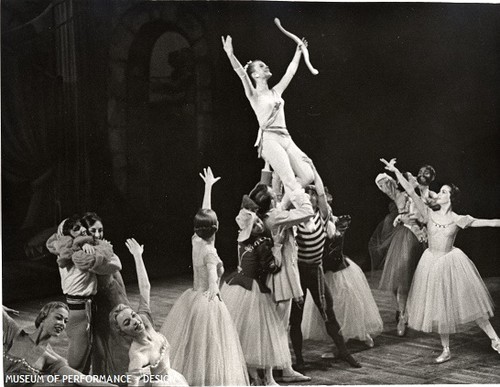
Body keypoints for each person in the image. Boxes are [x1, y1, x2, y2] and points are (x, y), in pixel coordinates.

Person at [381, 157, 500, 363]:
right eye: (441, 190)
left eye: (444, 191)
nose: (440, 193)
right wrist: (395, 171)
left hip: (452, 263)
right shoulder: (427, 212)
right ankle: (446, 350)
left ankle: (496, 341)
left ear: (450, 198)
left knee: (473, 306)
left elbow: (489, 222)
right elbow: (410, 191)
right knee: (441, 309)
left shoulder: (457, 219)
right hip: (431, 263)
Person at [160, 167, 249, 386]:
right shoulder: (210, 251)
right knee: (211, 345)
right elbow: (212, 280)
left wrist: (208, 187)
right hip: (207, 299)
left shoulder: (196, 241)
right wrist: (217, 296)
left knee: (193, 344)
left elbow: (204, 212)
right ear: (216, 228)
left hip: (193, 296)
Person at [222, 35, 316, 201]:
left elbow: (291, 72)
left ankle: (281, 207)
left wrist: (298, 52)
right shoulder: (254, 95)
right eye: (261, 66)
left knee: (307, 175)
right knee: (288, 178)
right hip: (271, 139)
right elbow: (242, 74)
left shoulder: (276, 91)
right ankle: (299, 214)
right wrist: (230, 54)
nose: (266, 67)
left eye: (265, 65)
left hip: (286, 137)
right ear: (255, 75)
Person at [221, 198, 302, 385]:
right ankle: (266, 378)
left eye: (258, 221)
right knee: (263, 335)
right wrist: (278, 245)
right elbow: (273, 266)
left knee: (246, 334)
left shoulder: (241, 239)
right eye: (255, 224)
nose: (259, 224)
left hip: (237, 284)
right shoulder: (262, 244)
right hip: (253, 290)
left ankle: (254, 376)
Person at [289, 166, 361, 369]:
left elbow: (321, 194)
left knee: (329, 313)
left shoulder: (322, 216)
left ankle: (344, 352)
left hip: (316, 271)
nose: (311, 198)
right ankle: (300, 360)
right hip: (299, 273)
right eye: (307, 195)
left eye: (313, 196)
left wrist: (312, 172)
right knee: (296, 318)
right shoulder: (296, 219)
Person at [46, 216, 122, 374]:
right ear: (67, 234)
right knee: (77, 364)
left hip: (84, 308)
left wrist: (86, 242)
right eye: (76, 229)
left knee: (84, 359)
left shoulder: (75, 247)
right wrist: (88, 244)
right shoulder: (72, 252)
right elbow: (110, 264)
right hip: (78, 309)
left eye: (82, 228)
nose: (82, 231)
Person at [109, 238, 188, 386]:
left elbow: (145, 287)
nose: (135, 321)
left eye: (133, 315)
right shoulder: (137, 355)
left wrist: (138, 256)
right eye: (127, 323)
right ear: (124, 332)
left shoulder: (145, 321)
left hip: (173, 379)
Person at [301, 212, 383, 352]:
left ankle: (361, 334)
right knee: (329, 307)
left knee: (349, 302)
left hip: (339, 270)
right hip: (322, 271)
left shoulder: (335, 222)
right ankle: (339, 340)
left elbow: (335, 238)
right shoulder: (307, 224)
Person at [3, 302, 116, 386]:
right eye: (59, 318)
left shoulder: (51, 358)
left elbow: (83, 379)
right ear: (43, 317)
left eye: (65, 321)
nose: (62, 324)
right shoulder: (15, 333)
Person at [374, 171, 427, 336]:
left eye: (411, 177)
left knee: (408, 279)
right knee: (399, 279)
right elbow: (404, 215)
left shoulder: (414, 194)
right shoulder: (399, 196)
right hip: (404, 237)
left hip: (414, 238)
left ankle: (405, 313)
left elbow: (421, 212)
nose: (412, 179)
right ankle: (403, 314)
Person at [80, 212, 130, 377]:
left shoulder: (104, 246)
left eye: (100, 230)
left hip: (112, 296)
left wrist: (123, 298)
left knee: (120, 338)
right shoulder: (80, 251)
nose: (98, 234)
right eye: (93, 231)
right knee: (101, 343)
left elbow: (117, 267)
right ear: (85, 232)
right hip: (96, 301)